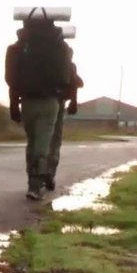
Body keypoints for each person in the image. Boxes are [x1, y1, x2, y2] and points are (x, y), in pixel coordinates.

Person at [5, 17, 72, 201]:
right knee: (43, 143)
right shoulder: (60, 48)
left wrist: (13, 103)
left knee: (32, 142)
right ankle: (37, 183)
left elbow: (11, 79)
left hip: (26, 101)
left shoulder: (17, 48)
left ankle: (33, 180)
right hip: (50, 101)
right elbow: (66, 78)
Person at [43, 62, 83, 192]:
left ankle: (36, 176)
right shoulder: (66, 61)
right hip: (58, 101)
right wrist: (74, 101)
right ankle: (50, 171)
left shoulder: (34, 53)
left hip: (38, 100)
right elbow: (77, 83)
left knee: (39, 139)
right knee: (55, 139)